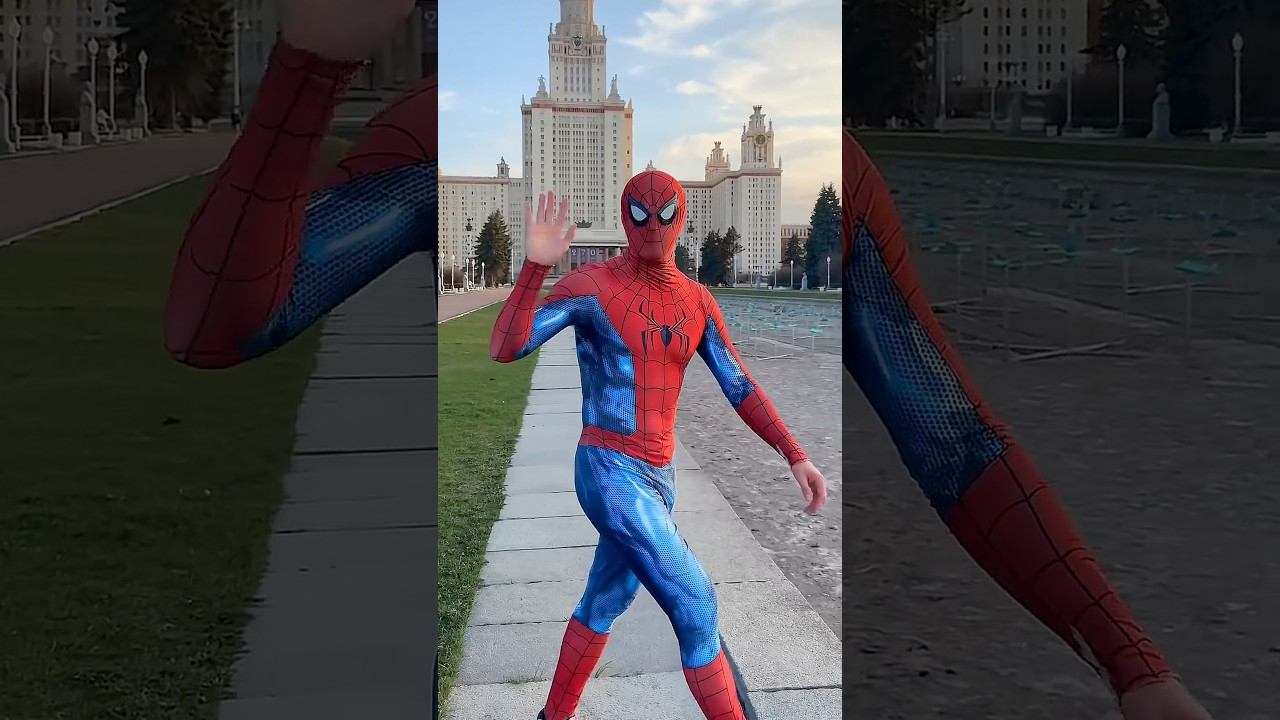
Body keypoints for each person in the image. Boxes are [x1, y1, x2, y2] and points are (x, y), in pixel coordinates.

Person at [842, 129, 1213, 720]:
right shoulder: (842, 180)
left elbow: (955, 443)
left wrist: (1135, 666)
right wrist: (1134, 665)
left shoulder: (842, 182)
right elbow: (955, 443)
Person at [490, 175, 828, 720]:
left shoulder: (698, 301)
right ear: (625, 219)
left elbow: (739, 384)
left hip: (659, 475)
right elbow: (508, 347)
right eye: (640, 215)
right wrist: (534, 267)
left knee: (606, 597)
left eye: (665, 214)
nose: (653, 227)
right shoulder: (591, 286)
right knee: (696, 602)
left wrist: (795, 454)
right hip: (607, 465)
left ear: (682, 217)